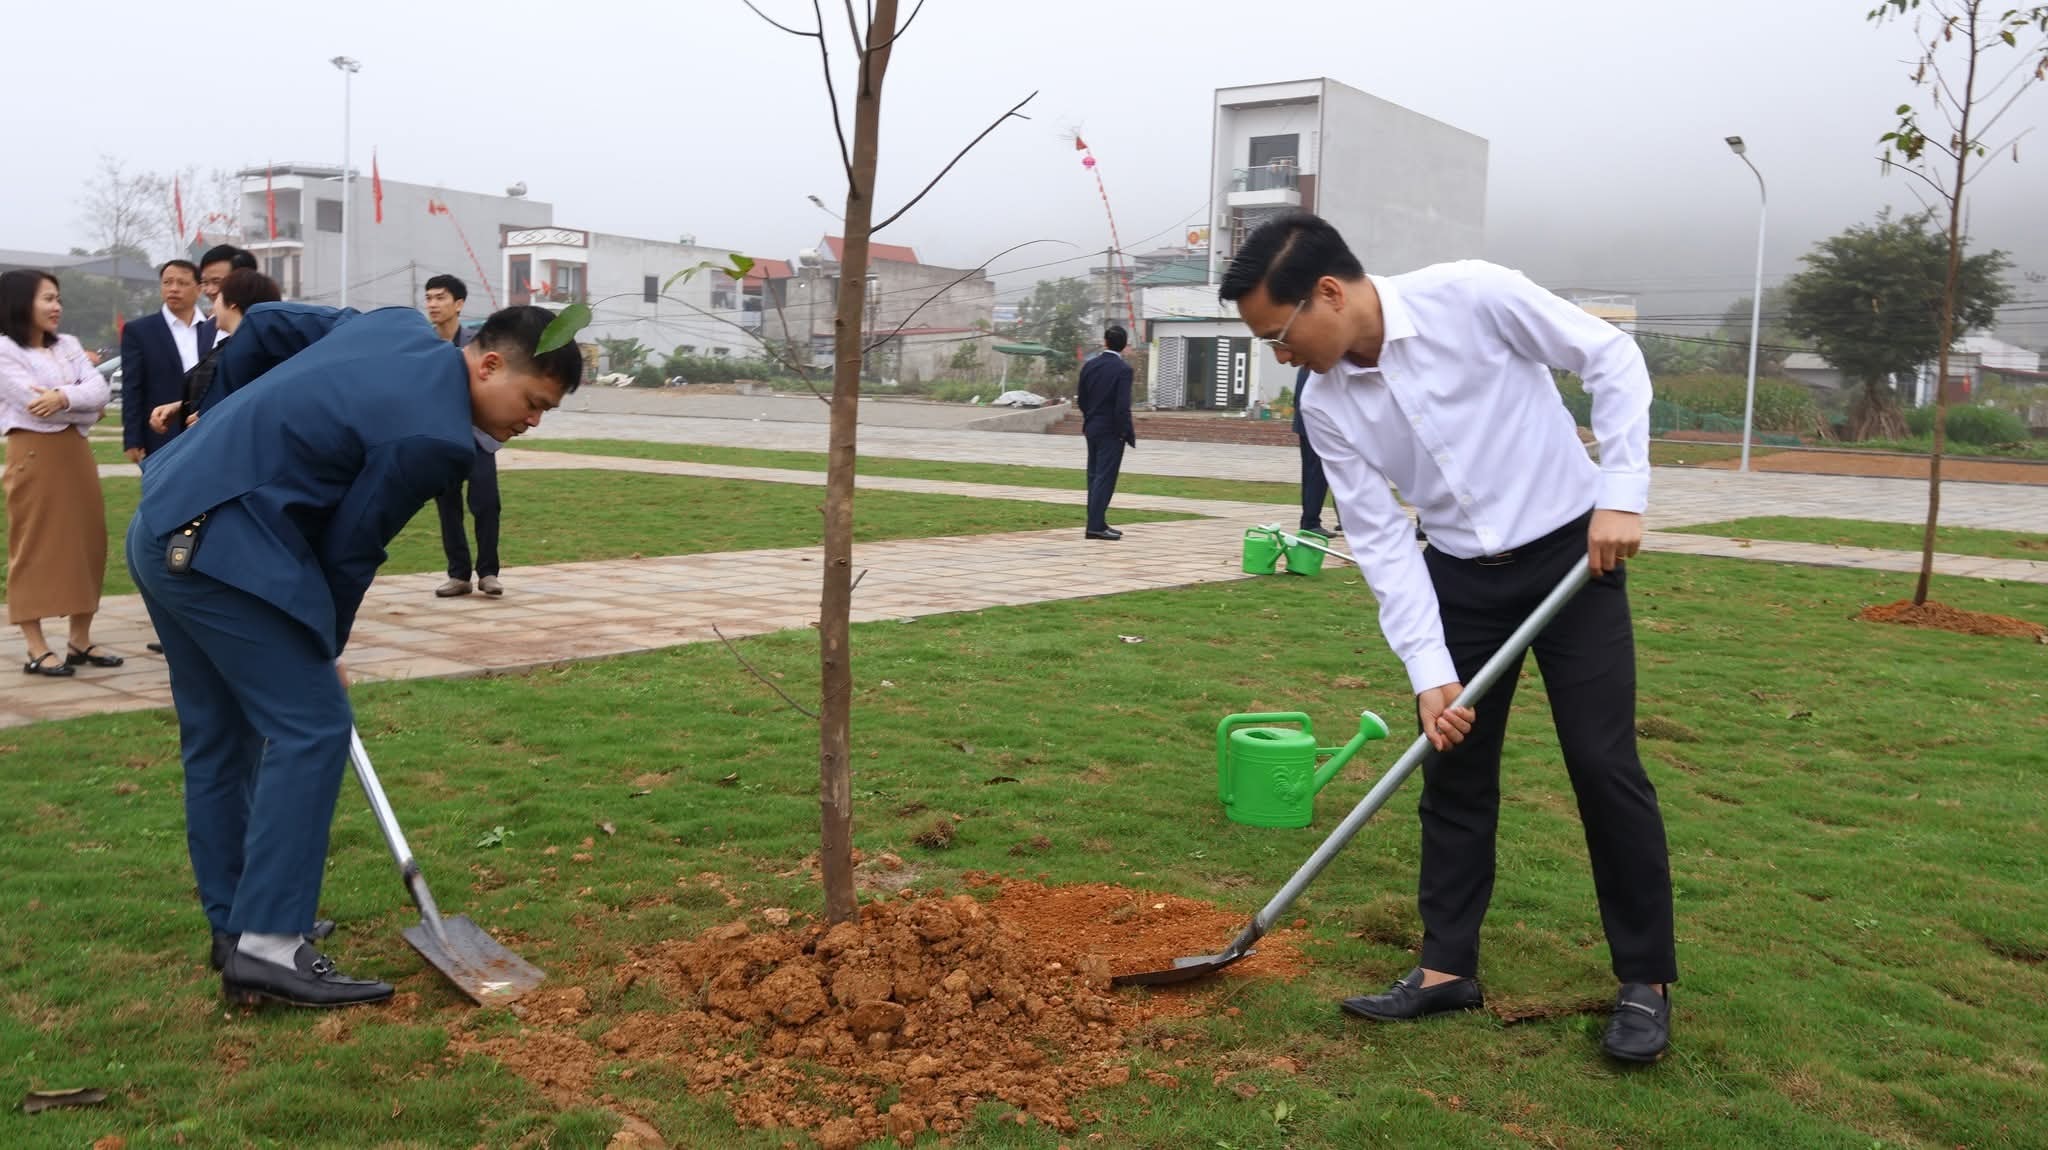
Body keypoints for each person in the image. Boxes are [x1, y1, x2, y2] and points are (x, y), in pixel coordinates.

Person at [1219, 212, 1675, 1063]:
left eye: (1279, 335)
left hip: (1575, 556)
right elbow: (1384, 541)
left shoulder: (1474, 295)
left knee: (1602, 764)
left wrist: (1622, 490)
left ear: (1329, 292)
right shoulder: (1324, 405)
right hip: (1460, 577)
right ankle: (1445, 968)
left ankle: (1644, 981)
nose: (1280, 357)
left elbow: (1610, 358)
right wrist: (1429, 671)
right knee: (1453, 766)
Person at [127, 302, 581, 1007]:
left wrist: (218, 420)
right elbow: (350, 550)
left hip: (163, 521)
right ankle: (271, 949)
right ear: (488, 364)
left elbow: (270, 323)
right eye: (532, 403)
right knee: (313, 725)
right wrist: (321, 644)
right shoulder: (434, 438)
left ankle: (238, 932)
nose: (532, 422)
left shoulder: (394, 324)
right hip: (218, 549)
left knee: (221, 737)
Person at [1, 270, 122, 677]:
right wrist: (81, 404)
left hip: (76, 450)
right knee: (34, 544)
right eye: (47, 299)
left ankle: (80, 640)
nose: (57, 307)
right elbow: (30, 403)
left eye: (58, 299)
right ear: (21, 302)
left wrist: (64, 398)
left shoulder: (68, 345)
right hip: (33, 452)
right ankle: (35, 647)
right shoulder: (5, 350)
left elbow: (99, 391)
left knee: (90, 540)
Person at [421, 275, 503, 598]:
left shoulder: (479, 343)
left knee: (486, 504)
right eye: (428, 298)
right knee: (447, 506)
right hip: (441, 438)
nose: (432, 304)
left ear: (458, 304)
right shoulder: (422, 344)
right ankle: (458, 575)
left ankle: (488, 573)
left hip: (478, 437)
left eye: (440, 298)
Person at [148, 268, 283, 436]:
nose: (213, 307)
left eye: (218, 296)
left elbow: (251, 405)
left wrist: (213, 419)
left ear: (232, 303)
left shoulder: (245, 355)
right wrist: (182, 406)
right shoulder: (244, 348)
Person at [120, 260, 214, 462]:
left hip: (208, 430)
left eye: (182, 283)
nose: (173, 289)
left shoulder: (214, 327)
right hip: (161, 434)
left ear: (199, 289)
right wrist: (132, 439)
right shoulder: (139, 331)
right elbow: (132, 388)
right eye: (167, 282)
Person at [1076, 324, 1135, 541]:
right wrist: (1124, 432)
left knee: (1094, 476)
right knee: (1105, 478)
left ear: (1105, 342)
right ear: (1124, 346)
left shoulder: (1089, 366)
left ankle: (1097, 522)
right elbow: (1122, 406)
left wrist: (1090, 418)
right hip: (1111, 430)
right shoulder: (1123, 370)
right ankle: (1094, 526)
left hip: (1092, 427)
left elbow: (1082, 399)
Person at [1292, 364, 1339, 537]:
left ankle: (1311, 521)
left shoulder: (1309, 364)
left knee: (1312, 475)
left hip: (1309, 426)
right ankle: (1310, 523)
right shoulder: (1318, 365)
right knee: (1316, 476)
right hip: (1316, 428)